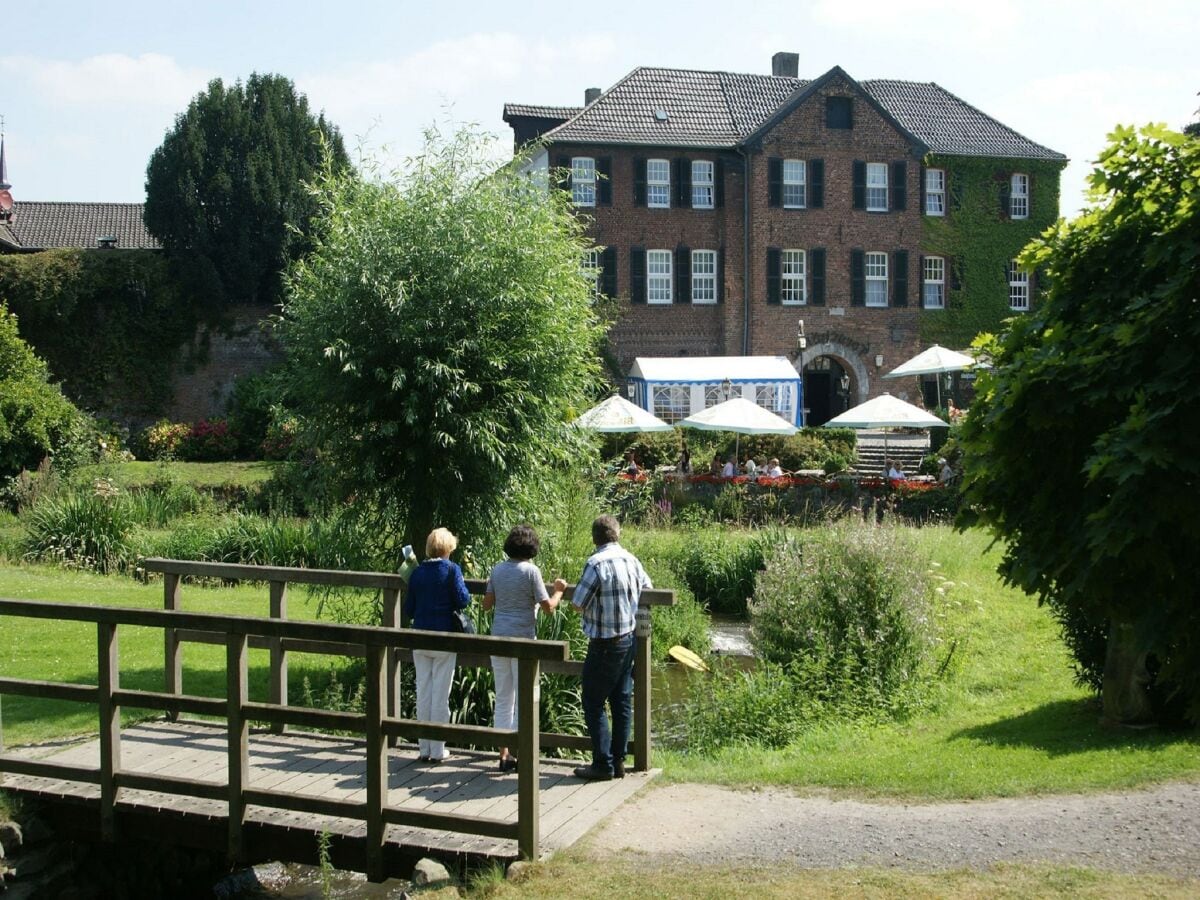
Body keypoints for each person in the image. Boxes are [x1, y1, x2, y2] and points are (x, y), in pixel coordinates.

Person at [568, 515, 651, 781]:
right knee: (621, 701)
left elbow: (579, 602)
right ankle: (618, 762)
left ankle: (602, 764)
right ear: (618, 534)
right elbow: (648, 590)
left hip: (604, 642)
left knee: (592, 702)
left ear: (595, 538)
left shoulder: (595, 563)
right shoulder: (631, 559)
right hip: (628, 640)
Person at [483, 525, 564, 772]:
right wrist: (559, 591)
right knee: (524, 697)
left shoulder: (497, 570)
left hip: (499, 639)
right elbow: (548, 608)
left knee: (504, 698)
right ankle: (521, 753)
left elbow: (487, 605)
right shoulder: (531, 572)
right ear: (531, 548)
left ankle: (504, 754)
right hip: (524, 641)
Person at [403, 527, 471, 763]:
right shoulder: (452, 570)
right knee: (441, 695)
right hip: (443, 638)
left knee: (423, 692)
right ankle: (438, 749)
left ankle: (424, 748)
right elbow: (463, 599)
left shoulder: (417, 573)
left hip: (420, 638)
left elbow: (408, 609)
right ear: (448, 549)